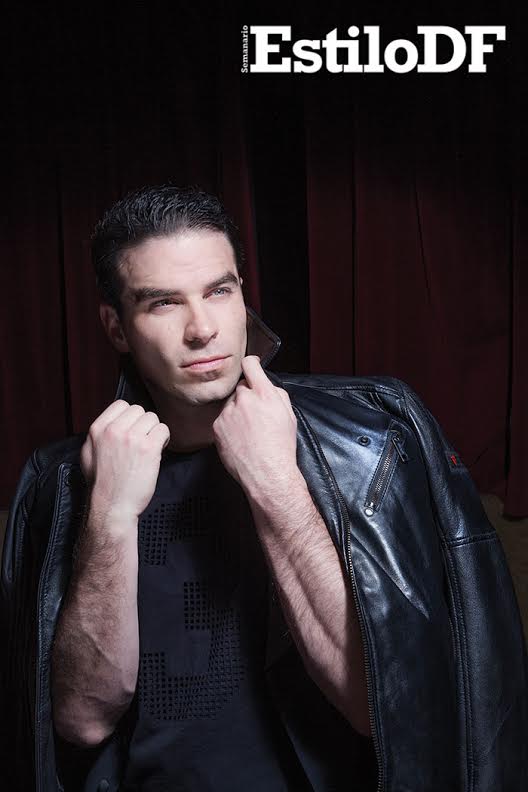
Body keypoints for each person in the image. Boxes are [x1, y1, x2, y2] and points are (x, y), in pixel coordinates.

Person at [1, 185, 527, 792]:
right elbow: (83, 721)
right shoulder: (61, 482)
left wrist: (275, 481)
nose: (203, 329)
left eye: (219, 291)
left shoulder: (370, 439)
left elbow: (382, 707)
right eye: (164, 303)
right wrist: (111, 514)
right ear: (117, 328)